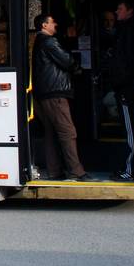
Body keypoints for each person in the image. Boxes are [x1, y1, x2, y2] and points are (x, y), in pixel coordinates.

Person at [32, 14, 93, 181]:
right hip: (55, 93)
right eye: (52, 22)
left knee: (51, 133)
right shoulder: (49, 42)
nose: (56, 24)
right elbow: (67, 61)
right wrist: (78, 68)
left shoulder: (38, 42)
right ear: (44, 25)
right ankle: (77, 171)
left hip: (44, 94)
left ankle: (55, 171)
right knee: (68, 132)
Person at [110, 0, 134, 181]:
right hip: (130, 87)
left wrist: (119, 85)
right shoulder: (129, 30)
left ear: (130, 11)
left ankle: (131, 170)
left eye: (120, 8)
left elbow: (125, 62)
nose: (116, 12)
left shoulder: (127, 32)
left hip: (127, 90)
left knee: (131, 131)